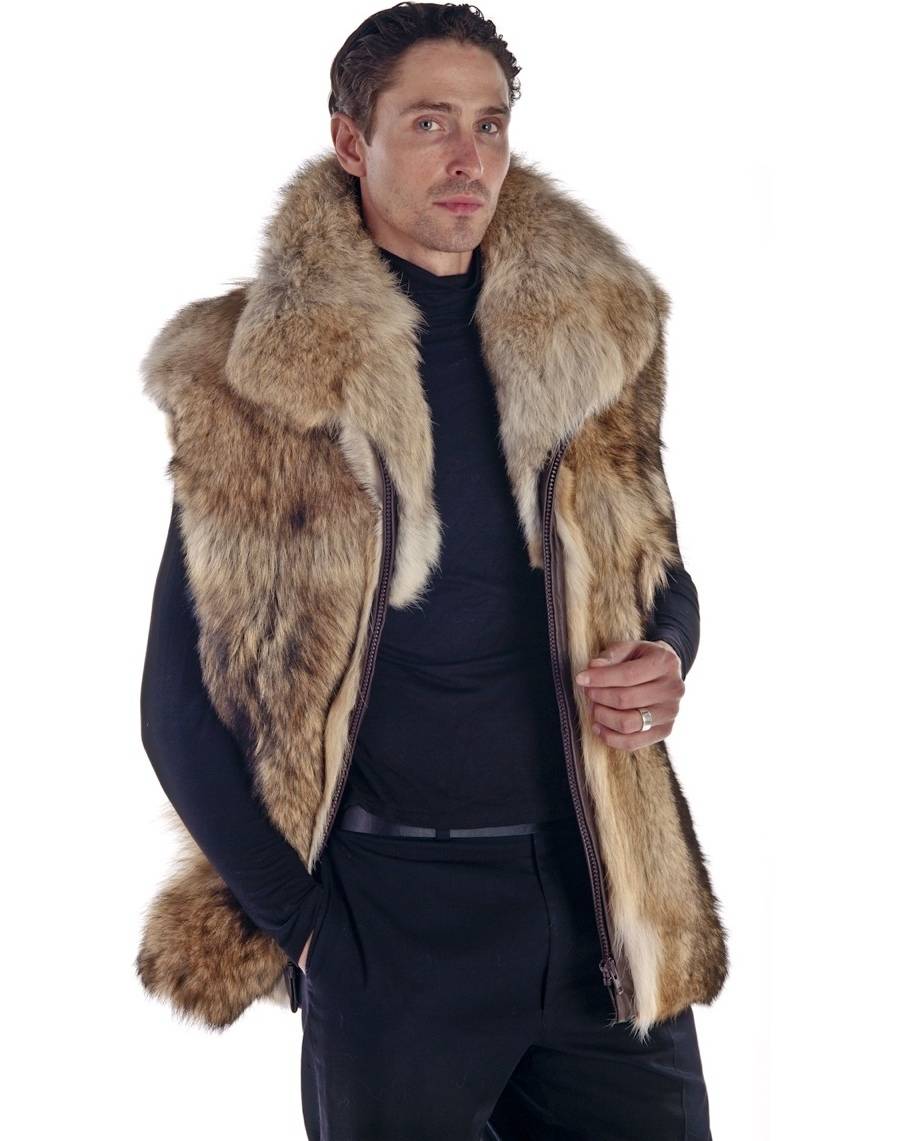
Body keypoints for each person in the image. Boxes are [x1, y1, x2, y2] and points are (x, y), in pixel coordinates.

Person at [136, 5, 729, 1137]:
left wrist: (668, 651)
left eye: (489, 123)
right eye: (429, 122)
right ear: (350, 142)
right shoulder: (252, 372)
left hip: (599, 902)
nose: (469, 156)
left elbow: (657, 573)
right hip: (386, 923)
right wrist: (309, 928)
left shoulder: (596, 342)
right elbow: (175, 703)